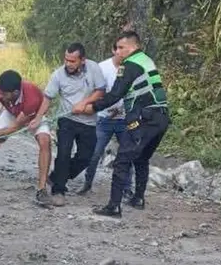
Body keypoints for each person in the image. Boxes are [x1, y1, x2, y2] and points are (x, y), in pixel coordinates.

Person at [72, 31, 169, 218]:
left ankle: (113, 206)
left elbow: (115, 94)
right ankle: (138, 198)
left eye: (121, 47)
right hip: (160, 119)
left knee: (122, 160)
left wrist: (91, 107)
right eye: (116, 48)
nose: (118, 52)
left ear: (133, 47)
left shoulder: (130, 64)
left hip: (144, 119)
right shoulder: (146, 60)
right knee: (141, 159)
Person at [0, 69, 54, 207]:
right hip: (12, 113)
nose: (0, 96)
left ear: (15, 93)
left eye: (4, 94)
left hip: (34, 116)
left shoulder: (32, 98)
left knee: (45, 142)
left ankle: (41, 189)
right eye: (0, 92)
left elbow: (14, 128)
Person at [43, 42, 106, 205]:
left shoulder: (94, 68)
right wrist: (39, 117)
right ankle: (58, 191)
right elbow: (48, 97)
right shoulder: (58, 74)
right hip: (67, 119)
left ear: (82, 60)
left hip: (89, 121)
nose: (68, 64)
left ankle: (56, 177)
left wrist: (84, 103)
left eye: (72, 61)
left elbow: (100, 90)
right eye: (66, 60)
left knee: (86, 157)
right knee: (63, 153)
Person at [79, 42, 134, 198]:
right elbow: (93, 91)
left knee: (126, 154)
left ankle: (127, 188)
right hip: (104, 118)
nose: (123, 54)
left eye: (126, 50)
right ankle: (87, 183)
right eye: (120, 49)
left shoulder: (133, 69)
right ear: (113, 50)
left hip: (125, 118)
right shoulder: (101, 68)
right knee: (95, 153)